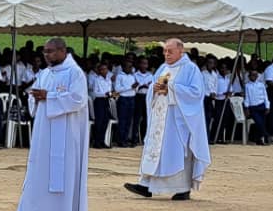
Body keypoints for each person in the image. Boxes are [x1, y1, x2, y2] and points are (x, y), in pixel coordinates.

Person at [2, 38, 88, 211]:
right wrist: (35, 97)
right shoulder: (45, 73)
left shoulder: (75, 73)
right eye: (45, 52)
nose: (47, 55)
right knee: (37, 169)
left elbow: (78, 100)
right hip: (44, 131)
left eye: (50, 51)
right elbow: (34, 95)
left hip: (67, 133)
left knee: (66, 171)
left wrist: (49, 96)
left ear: (63, 51)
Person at [126, 39, 211, 201]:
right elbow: (155, 86)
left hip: (178, 121)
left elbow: (196, 93)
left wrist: (171, 88)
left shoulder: (190, 69)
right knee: (156, 150)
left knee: (176, 152)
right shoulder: (163, 68)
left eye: (170, 51)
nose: (166, 54)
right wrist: (154, 89)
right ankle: (146, 185)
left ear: (181, 51)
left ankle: (182, 189)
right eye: (165, 51)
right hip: (160, 118)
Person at [112, 61, 137, 147]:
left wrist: (136, 87)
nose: (130, 69)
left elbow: (135, 88)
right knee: (122, 120)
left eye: (131, 67)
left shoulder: (132, 76)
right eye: (128, 67)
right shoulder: (119, 76)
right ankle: (120, 140)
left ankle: (125, 139)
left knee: (129, 121)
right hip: (123, 99)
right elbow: (117, 89)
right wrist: (130, 87)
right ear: (123, 68)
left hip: (132, 98)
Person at [89, 63, 113, 148]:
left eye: (105, 69)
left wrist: (111, 94)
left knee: (105, 121)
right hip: (99, 101)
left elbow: (110, 91)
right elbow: (95, 93)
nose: (104, 71)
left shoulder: (108, 80)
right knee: (99, 122)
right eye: (102, 69)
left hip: (106, 101)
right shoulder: (97, 80)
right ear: (99, 71)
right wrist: (104, 94)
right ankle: (96, 142)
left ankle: (102, 141)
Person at [243, 69, 270, 144]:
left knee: (262, 123)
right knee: (259, 122)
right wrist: (246, 108)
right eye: (252, 75)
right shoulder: (247, 86)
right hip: (253, 107)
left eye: (255, 75)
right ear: (249, 76)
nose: (254, 76)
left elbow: (265, 96)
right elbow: (246, 98)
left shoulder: (261, 85)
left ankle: (259, 140)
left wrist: (267, 106)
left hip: (262, 105)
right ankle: (266, 134)